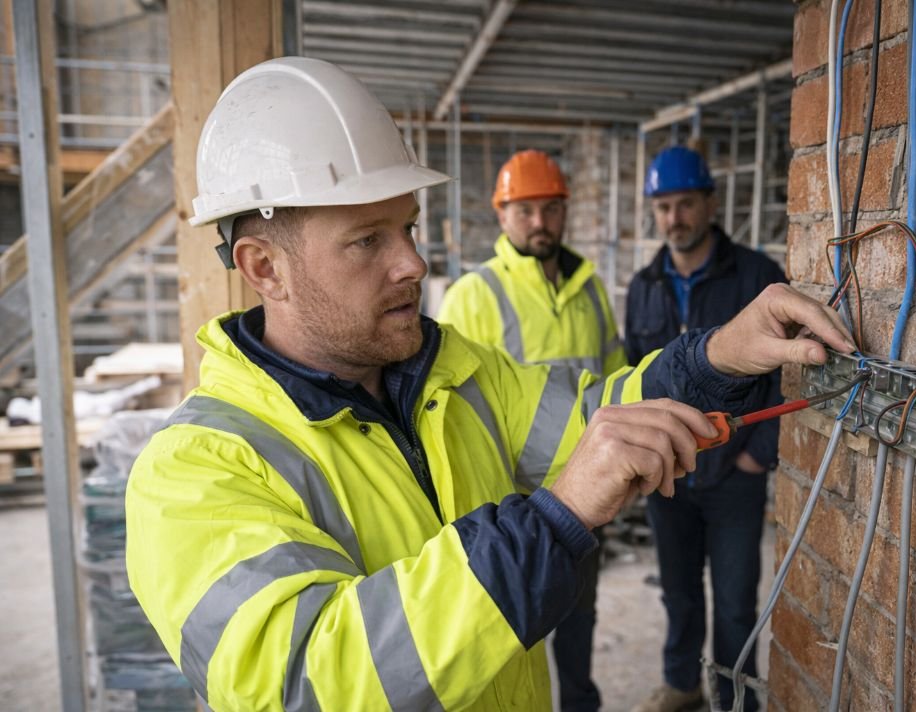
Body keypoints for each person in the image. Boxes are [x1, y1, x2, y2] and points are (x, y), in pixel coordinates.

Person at [125, 58, 855, 712]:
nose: (413, 262)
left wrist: (719, 355)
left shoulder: (456, 371)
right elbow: (309, 683)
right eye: (367, 240)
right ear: (263, 269)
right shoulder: (193, 473)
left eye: (408, 228)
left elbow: (596, 420)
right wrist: (552, 519)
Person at [437, 149, 625, 712]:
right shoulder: (473, 295)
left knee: (580, 613)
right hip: (509, 501)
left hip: (587, 487)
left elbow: (614, 376)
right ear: (502, 217)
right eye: (524, 211)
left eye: (549, 209)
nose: (539, 222)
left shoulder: (591, 289)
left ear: (565, 212)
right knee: (512, 625)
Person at [627, 146, 787, 712]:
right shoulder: (645, 286)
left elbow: (785, 378)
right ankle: (682, 684)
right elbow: (633, 378)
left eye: (685, 204)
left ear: (709, 203)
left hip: (734, 476)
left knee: (737, 600)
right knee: (679, 593)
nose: (674, 218)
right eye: (663, 206)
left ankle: (736, 699)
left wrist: (757, 457)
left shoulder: (757, 276)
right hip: (669, 475)